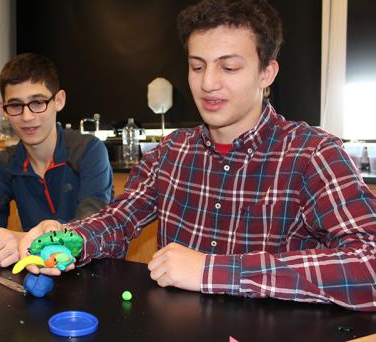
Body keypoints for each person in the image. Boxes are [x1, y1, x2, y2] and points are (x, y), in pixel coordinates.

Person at [21, 0, 376, 311]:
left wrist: (213, 271)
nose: (208, 83)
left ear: (267, 72)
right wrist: (67, 239)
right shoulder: (172, 152)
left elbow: (369, 264)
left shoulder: (312, 153)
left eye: (229, 67)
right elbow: (118, 220)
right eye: (197, 66)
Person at [0, 53, 113, 268]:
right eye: (15, 105)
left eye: (37, 102)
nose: (26, 117)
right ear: (3, 108)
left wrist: (24, 239)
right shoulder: (6, 161)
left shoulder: (89, 150)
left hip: (91, 272)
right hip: (35, 270)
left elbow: (93, 223)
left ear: (59, 100)